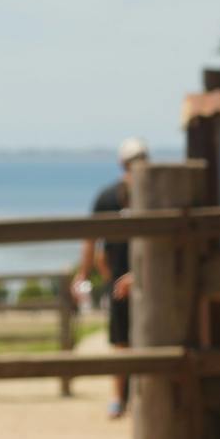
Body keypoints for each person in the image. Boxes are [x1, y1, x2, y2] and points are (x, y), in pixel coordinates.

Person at [73, 137, 148, 419]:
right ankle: (120, 398)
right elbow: (93, 244)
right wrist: (90, 276)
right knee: (123, 342)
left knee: (129, 343)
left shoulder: (143, 195)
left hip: (142, 282)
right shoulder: (109, 198)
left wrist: (88, 276)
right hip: (124, 283)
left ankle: (126, 398)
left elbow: (92, 244)